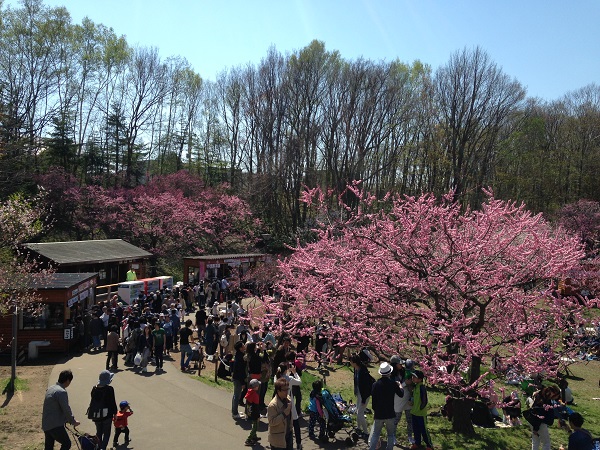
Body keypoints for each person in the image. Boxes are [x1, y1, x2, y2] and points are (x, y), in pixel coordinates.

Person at [42, 369, 80, 450]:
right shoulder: (61, 392)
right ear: (67, 380)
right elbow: (66, 409)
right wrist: (73, 421)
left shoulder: (51, 388)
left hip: (46, 424)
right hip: (55, 425)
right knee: (67, 443)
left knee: (48, 447)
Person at [369, 362, 404, 450]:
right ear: (390, 372)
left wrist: (375, 410)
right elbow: (401, 394)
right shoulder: (393, 384)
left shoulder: (375, 385)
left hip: (379, 413)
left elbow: (374, 401)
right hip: (390, 413)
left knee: (376, 434)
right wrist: (400, 386)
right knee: (390, 434)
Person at [274, 361, 303, 450]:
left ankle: (281, 442)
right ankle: (298, 443)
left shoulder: (276, 377)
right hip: (289, 402)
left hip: (279, 403)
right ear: (286, 370)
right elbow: (299, 382)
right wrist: (294, 372)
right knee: (295, 422)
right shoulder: (289, 378)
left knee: (282, 422)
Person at [88, 370, 117, 450]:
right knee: (107, 434)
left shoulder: (94, 389)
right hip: (107, 416)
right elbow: (112, 403)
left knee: (99, 432)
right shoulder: (109, 389)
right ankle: (103, 448)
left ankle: (98, 447)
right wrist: (115, 414)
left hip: (96, 415)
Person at [350, 353, 374, 439]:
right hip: (359, 394)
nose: (350, 362)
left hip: (364, 395)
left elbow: (366, 387)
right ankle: (358, 428)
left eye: (351, 361)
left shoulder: (363, 372)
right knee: (357, 411)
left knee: (360, 413)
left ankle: (366, 432)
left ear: (354, 362)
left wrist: (364, 399)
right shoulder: (356, 369)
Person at [268, 377, 293, 450]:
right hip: (278, 439)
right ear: (278, 391)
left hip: (288, 435)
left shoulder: (288, 399)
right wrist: (284, 414)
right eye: (284, 390)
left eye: (287, 389)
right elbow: (271, 422)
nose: (287, 392)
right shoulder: (272, 405)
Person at [410, 370, 432, 450]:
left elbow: (425, 400)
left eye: (415, 377)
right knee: (415, 429)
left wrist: (420, 408)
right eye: (412, 376)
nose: (413, 378)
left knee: (424, 430)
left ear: (420, 379)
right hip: (414, 412)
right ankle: (417, 443)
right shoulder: (415, 386)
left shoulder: (422, 387)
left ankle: (429, 445)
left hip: (421, 413)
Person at [231, 340, 247, 419]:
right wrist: (243, 382)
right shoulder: (240, 357)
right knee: (237, 396)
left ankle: (234, 411)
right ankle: (235, 412)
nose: (244, 346)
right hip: (238, 379)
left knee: (236, 395)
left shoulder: (238, 355)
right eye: (243, 345)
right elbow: (240, 371)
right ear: (240, 348)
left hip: (236, 377)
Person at [245, 379, 262, 446]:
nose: (258, 387)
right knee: (255, 427)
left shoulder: (249, 392)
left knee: (254, 424)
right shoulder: (255, 395)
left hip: (250, 411)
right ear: (255, 387)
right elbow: (256, 407)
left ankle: (254, 437)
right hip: (254, 413)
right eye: (258, 385)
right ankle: (248, 439)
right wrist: (258, 415)